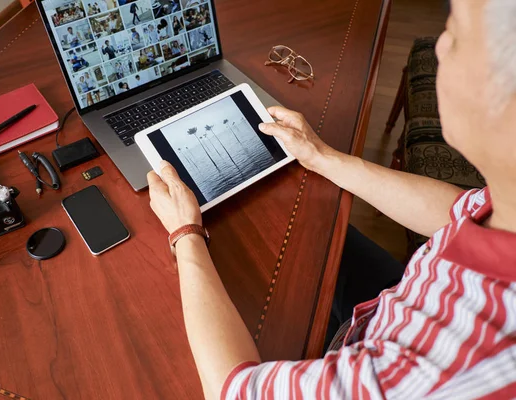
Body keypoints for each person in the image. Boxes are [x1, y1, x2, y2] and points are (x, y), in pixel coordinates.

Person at [145, 0, 516, 399]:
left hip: (368, 349)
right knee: (314, 231)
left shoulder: (439, 373)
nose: (440, 47)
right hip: (388, 307)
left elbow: (234, 390)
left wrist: (185, 233)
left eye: (457, 35)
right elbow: (460, 211)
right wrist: (323, 157)